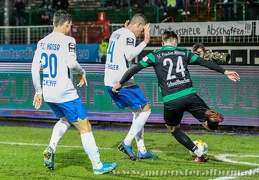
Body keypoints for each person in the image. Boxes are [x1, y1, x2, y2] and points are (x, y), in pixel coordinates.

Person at [112, 31, 240, 162]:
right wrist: (225, 72)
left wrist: (120, 83)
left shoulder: (154, 55)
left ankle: (199, 154)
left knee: (173, 128)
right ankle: (212, 120)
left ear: (162, 43)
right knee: (209, 126)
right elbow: (204, 63)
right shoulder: (183, 52)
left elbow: (133, 69)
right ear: (175, 42)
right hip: (190, 95)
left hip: (171, 100)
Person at [31, 10, 117, 174]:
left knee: (65, 119)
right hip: (65, 92)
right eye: (70, 26)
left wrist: (38, 91)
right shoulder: (69, 40)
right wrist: (82, 71)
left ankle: (51, 147)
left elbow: (35, 69)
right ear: (67, 24)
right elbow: (71, 63)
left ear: (53, 23)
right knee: (85, 127)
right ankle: (98, 166)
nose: (70, 29)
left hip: (49, 92)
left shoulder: (42, 42)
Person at [104, 13, 158, 161]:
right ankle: (126, 143)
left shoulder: (117, 32)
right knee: (146, 110)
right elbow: (129, 55)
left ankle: (142, 150)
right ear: (139, 25)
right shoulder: (129, 35)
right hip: (121, 81)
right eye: (141, 32)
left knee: (138, 113)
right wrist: (145, 42)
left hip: (109, 81)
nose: (140, 35)